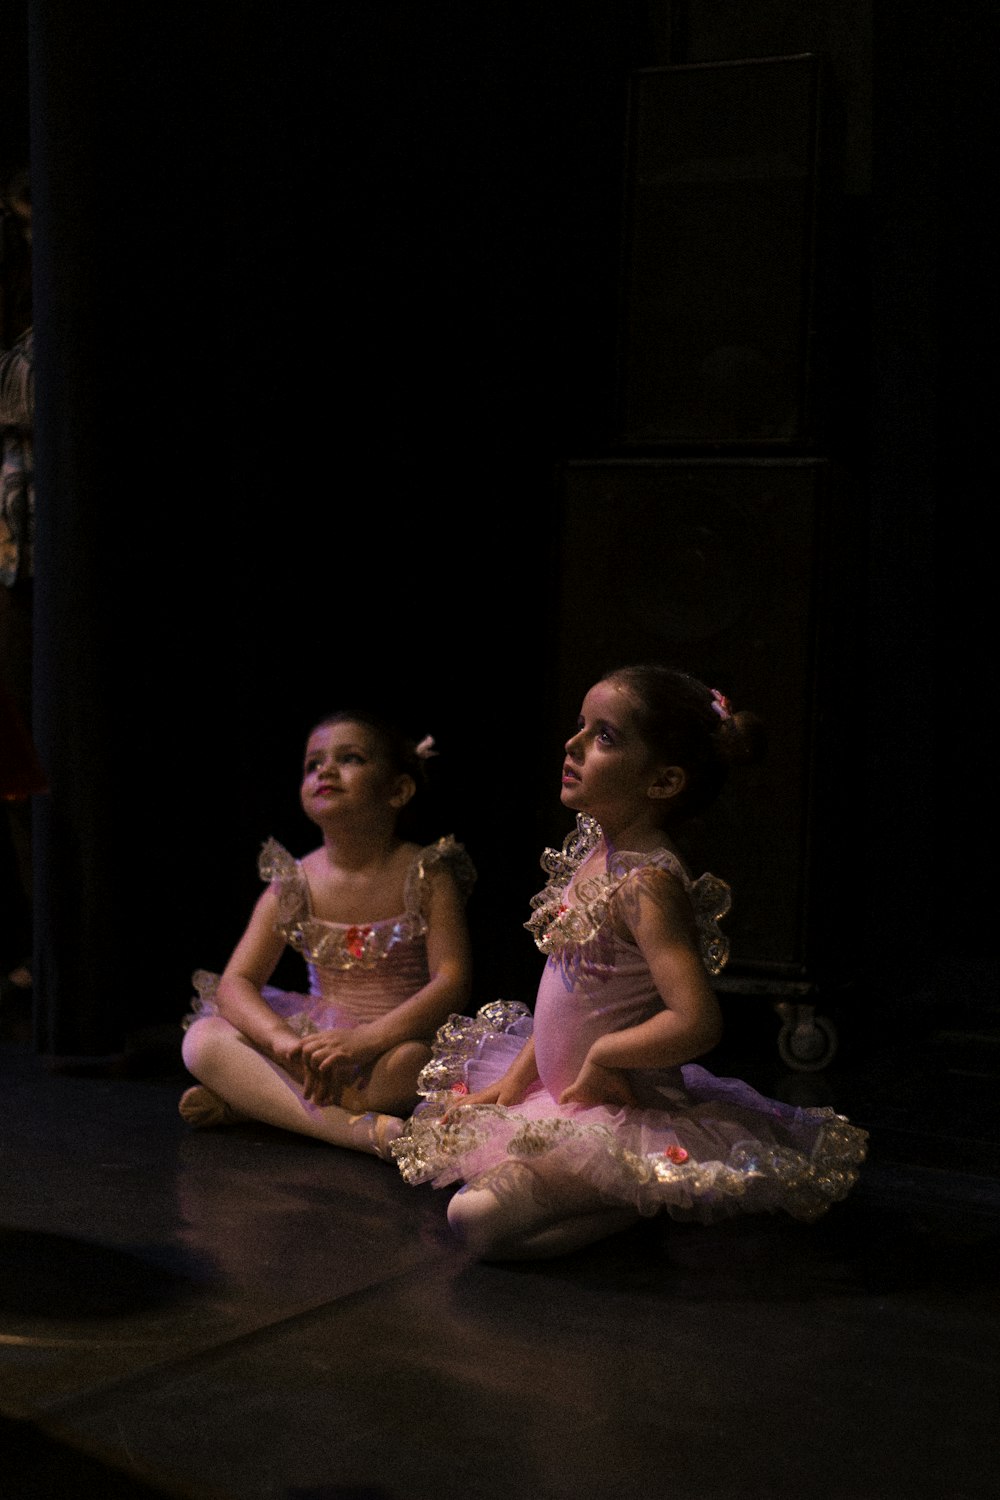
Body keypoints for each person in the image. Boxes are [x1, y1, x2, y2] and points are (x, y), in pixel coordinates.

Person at [391, 664, 868, 1259]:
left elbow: (697, 1020)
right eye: (580, 727)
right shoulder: (595, 854)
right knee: (468, 1174)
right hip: (565, 1098)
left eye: (604, 737)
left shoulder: (647, 883)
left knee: (473, 1217)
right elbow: (569, 990)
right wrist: (511, 1088)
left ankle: (638, 1193)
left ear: (663, 781)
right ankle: (633, 1196)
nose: (573, 744)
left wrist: (604, 1053)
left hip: (624, 1110)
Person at [179, 708, 476, 1160]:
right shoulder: (293, 883)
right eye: (313, 764)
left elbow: (452, 980)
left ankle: (259, 1102)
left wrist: (367, 1040)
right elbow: (235, 983)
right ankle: (358, 1130)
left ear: (398, 789)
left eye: (350, 758)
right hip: (311, 1047)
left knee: (414, 1065)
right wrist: (282, 1040)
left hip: (387, 1045)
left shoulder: (426, 873)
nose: (326, 771)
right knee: (200, 1042)